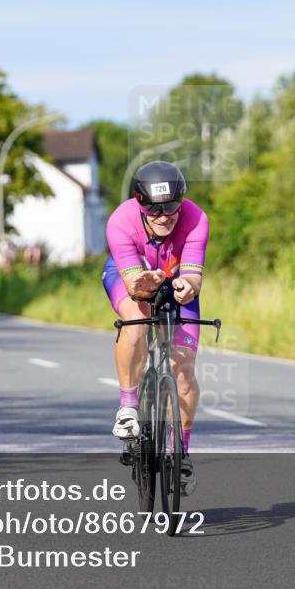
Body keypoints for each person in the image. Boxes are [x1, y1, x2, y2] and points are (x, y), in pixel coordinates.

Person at [103, 161, 208, 496]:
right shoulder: (121, 221)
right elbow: (136, 285)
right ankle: (128, 407)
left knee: (184, 370)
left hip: (176, 282)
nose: (164, 217)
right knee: (135, 322)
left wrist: (188, 287)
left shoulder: (196, 219)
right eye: (155, 210)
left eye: (172, 208)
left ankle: (182, 449)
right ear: (139, 204)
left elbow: (193, 275)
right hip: (132, 278)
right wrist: (146, 284)